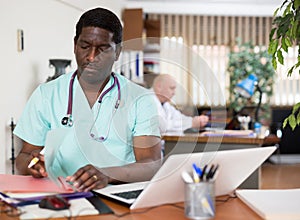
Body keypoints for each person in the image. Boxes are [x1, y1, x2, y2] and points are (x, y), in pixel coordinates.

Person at [14, 7, 162, 192]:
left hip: (116, 196)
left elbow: (151, 165)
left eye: (103, 49)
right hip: (61, 195)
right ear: (75, 45)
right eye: (85, 47)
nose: (91, 57)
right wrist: (33, 164)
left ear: (117, 52)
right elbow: (23, 158)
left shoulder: (140, 98)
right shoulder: (46, 95)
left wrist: (107, 174)